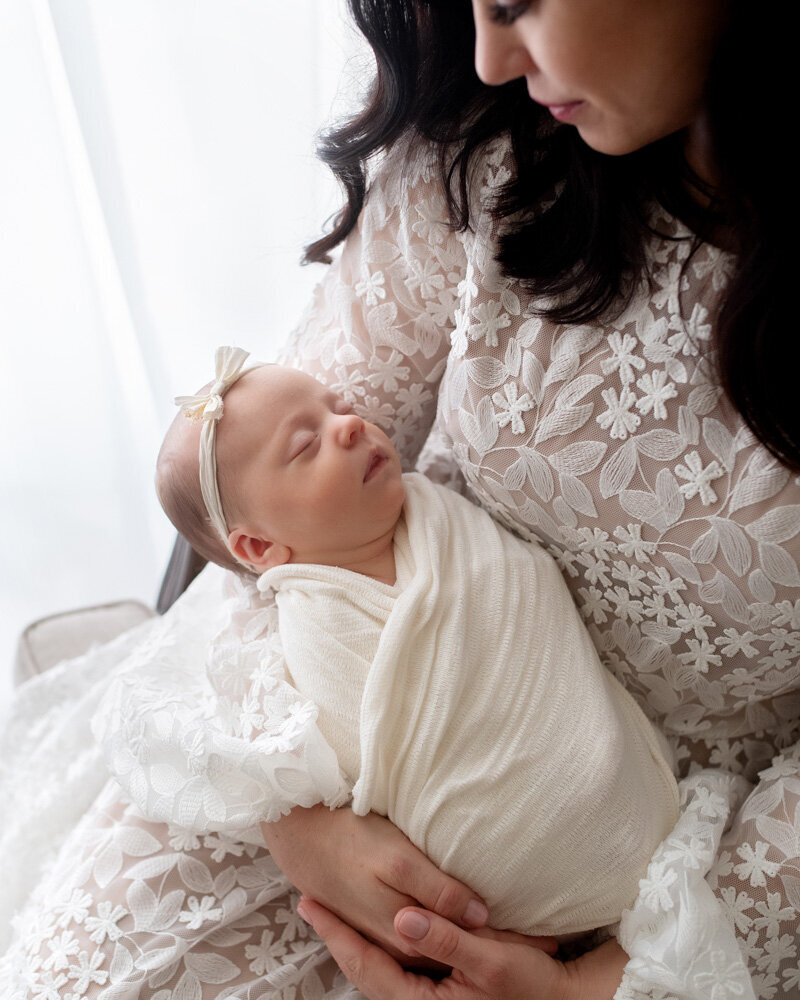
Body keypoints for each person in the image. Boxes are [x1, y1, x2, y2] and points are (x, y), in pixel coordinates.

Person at [1, 0, 799, 997]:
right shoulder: (496, 143)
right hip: (323, 757)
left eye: (514, 3)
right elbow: (272, 516)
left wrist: (613, 978)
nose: (487, 54)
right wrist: (296, 821)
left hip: (658, 882)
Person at [154, 349, 679, 940]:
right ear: (258, 549)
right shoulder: (311, 637)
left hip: (609, 776)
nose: (350, 425)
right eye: (306, 446)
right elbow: (342, 762)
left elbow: (522, 594)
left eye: (339, 408)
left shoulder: (437, 515)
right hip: (493, 885)